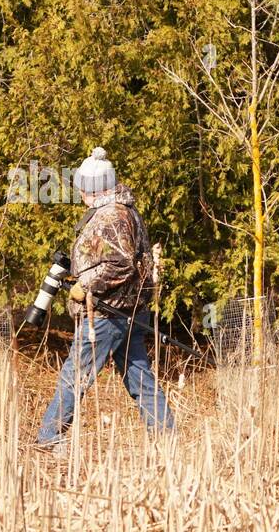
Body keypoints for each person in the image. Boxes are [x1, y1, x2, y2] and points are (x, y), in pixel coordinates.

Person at [36, 146, 175, 448]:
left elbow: (120, 264)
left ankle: (50, 437)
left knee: (75, 375)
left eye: (83, 188)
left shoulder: (110, 216)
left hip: (107, 313)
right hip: (130, 309)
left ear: (94, 189)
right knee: (139, 376)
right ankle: (167, 437)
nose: (81, 195)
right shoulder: (124, 211)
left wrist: (86, 287)